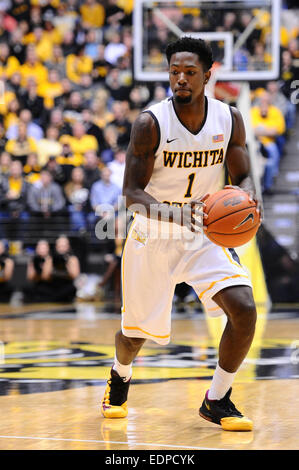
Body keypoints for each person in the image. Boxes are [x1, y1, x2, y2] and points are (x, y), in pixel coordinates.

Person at [101, 37, 261, 431]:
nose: (181, 80)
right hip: (153, 234)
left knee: (244, 309)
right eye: (174, 72)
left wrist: (249, 201)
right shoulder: (150, 123)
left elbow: (242, 176)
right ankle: (119, 376)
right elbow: (132, 198)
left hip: (205, 232)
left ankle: (217, 400)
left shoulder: (229, 119)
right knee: (135, 334)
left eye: (190, 73)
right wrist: (176, 213)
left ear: (208, 75)